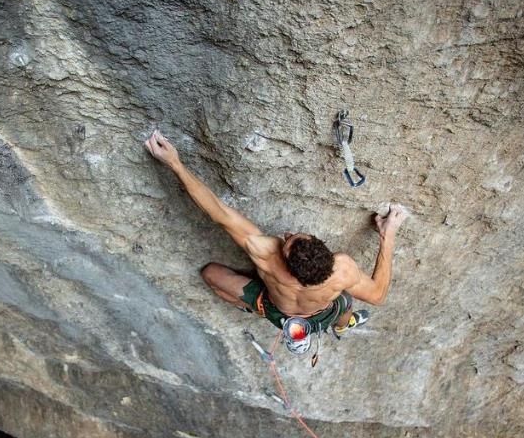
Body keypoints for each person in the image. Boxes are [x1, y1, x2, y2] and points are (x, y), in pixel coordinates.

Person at [143, 130, 407, 336]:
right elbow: (377, 296)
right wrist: (388, 234)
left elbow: (218, 213)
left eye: (288, 240)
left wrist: (175, 163)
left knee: (211, 275)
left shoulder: (267, 256)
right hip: (322, 310)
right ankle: (342, 322)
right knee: (344, 300)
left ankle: (266, 311)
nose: (289, 232)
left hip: (278, 309)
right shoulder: (343, 270)